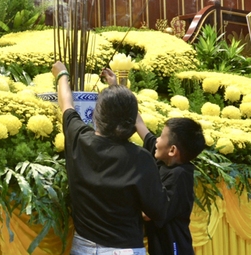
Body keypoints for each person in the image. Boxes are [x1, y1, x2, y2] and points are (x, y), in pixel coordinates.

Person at [52, 61, 169, 255]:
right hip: (126, 248)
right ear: (132, 122)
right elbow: (158, 212)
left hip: (84, 248)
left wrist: (62, 74)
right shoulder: (141, 159)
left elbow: (67, 106)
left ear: (95, 116)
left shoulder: (80, 140)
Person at [135, 113, 206, 255]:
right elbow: (141, 126)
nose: (157, 140)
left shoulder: (180, 176)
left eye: (161, 136)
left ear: (172, 150)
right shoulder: (164, 158)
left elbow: (149, 214)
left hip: (174, 248)